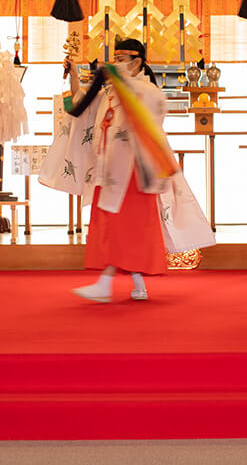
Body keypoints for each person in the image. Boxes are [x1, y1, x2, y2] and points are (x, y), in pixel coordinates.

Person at [38, 38, 214, 303]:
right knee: (111, 228)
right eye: (116, 59)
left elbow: (145, 120)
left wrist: (116, 81)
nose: (117, 65)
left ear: (138, 62)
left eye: (122, 60)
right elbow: (81, 106)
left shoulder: (148, 91)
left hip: (134, 172)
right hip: (110, 170)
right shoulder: (109, 91)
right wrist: (74, 73)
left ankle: (107, 284)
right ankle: (133, 285)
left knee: (127, 229)